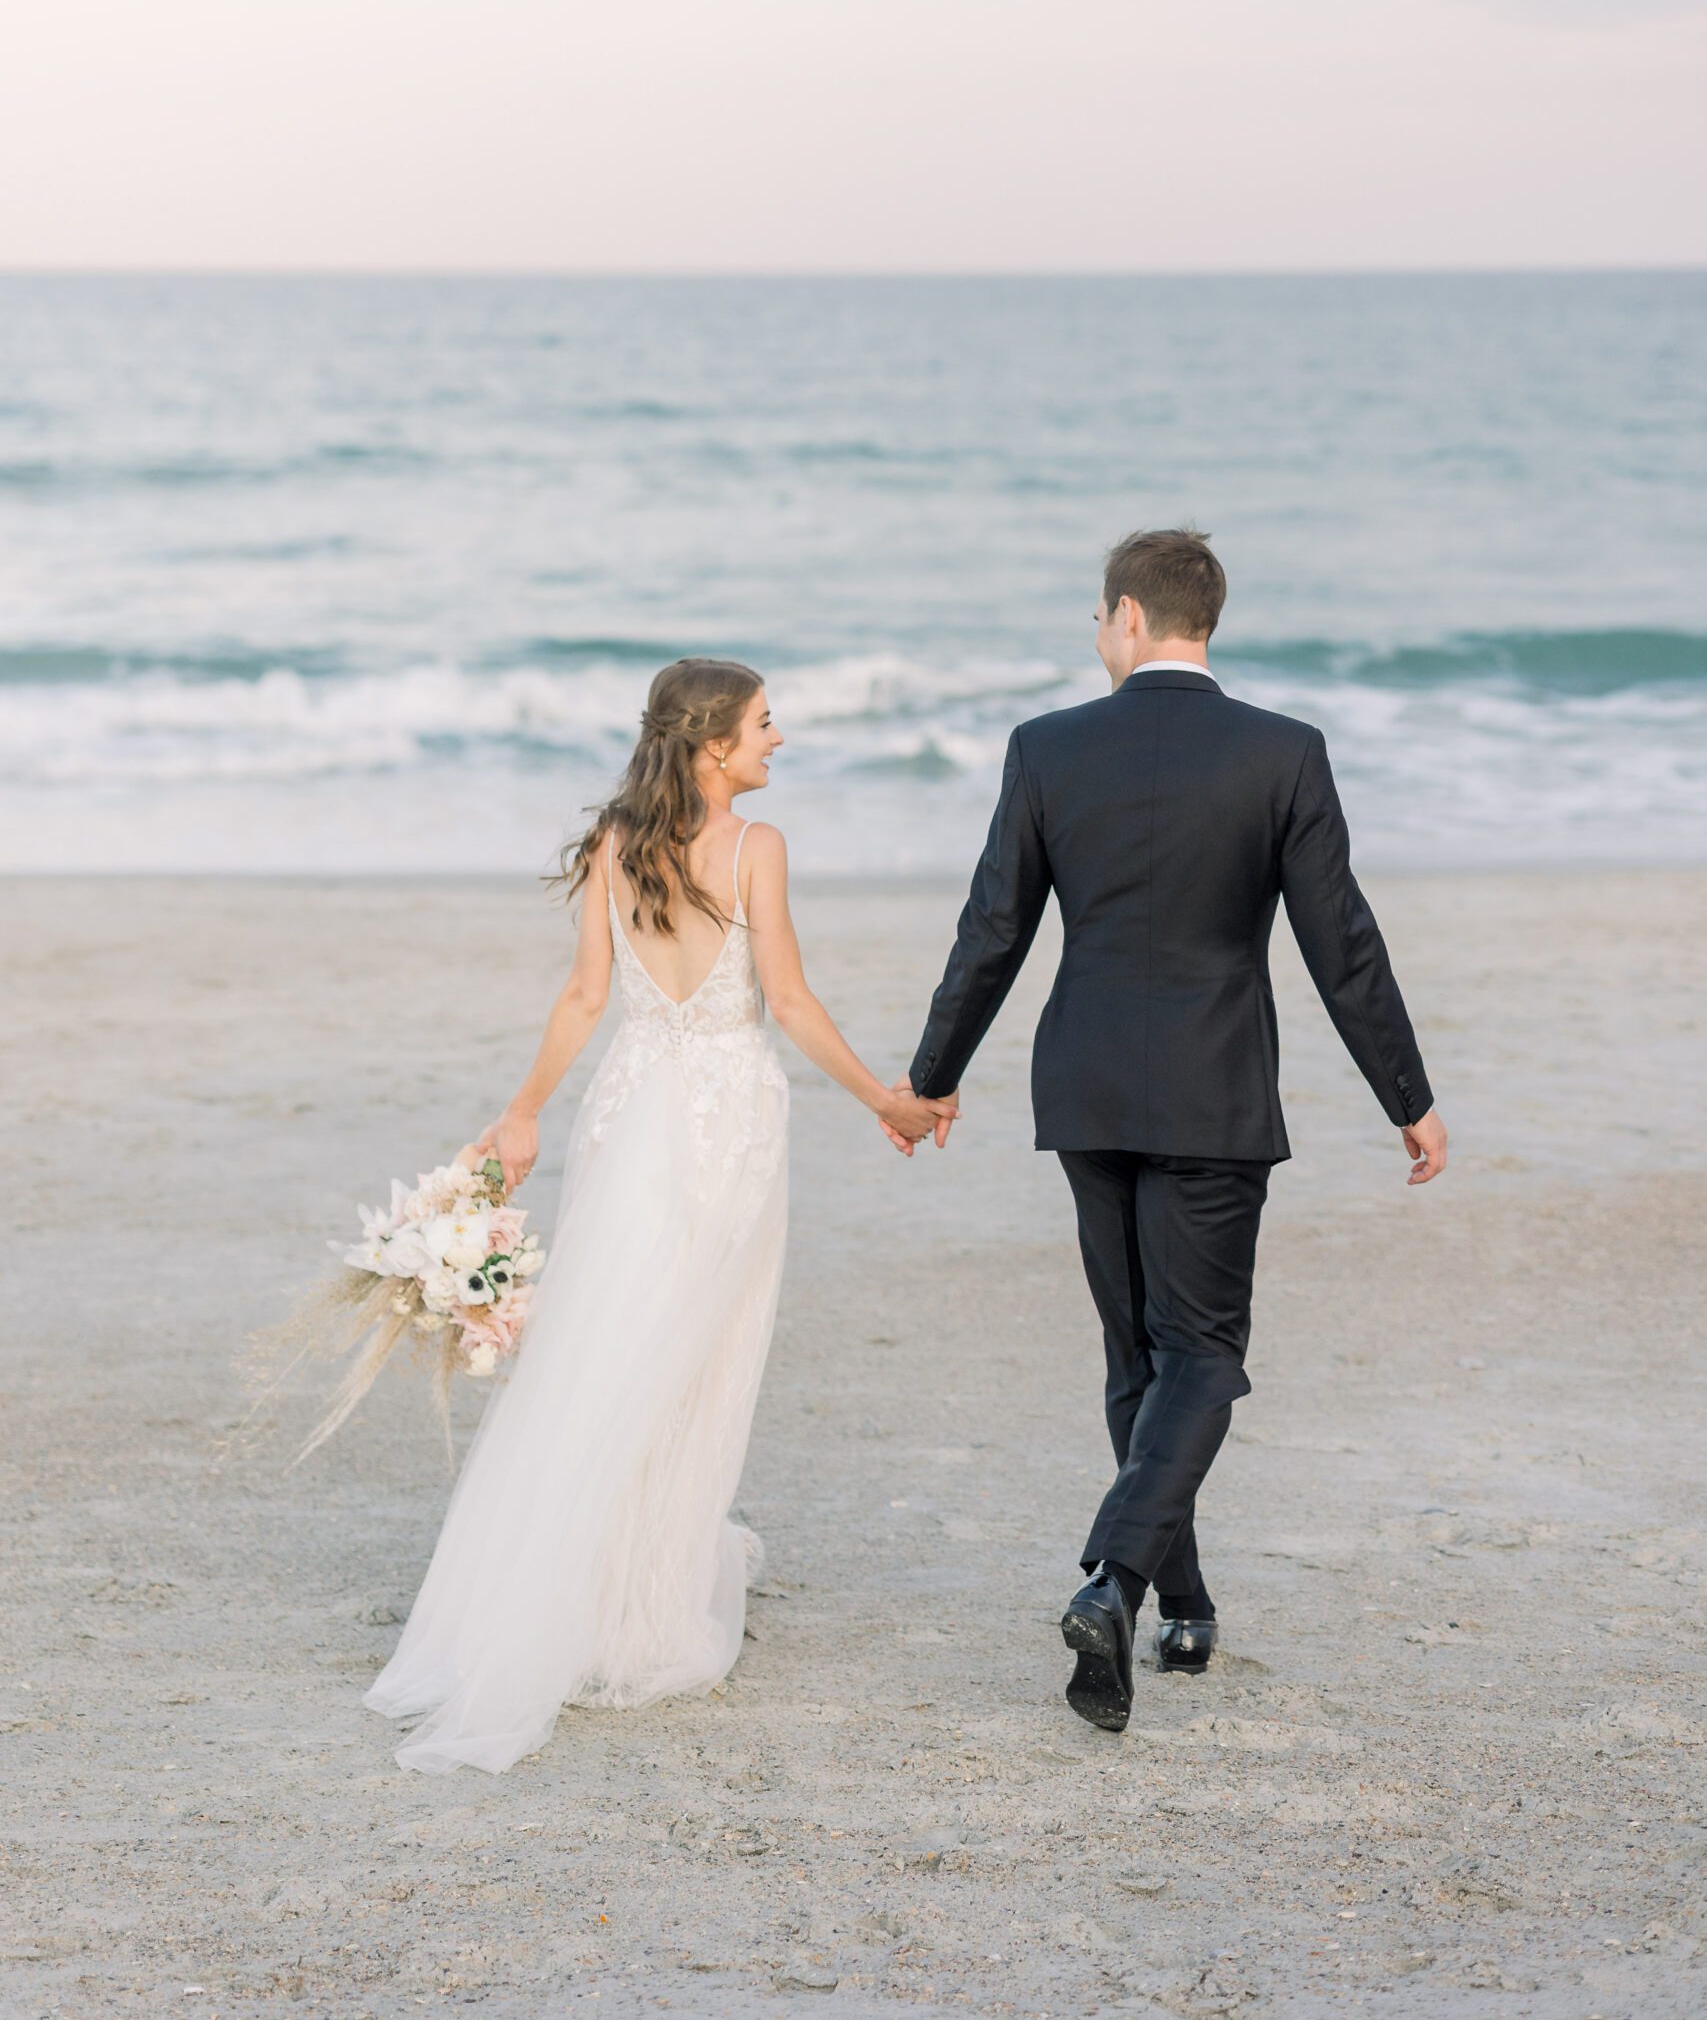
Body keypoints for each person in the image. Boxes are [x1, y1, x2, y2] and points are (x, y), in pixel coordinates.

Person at [896, 529, 1447, 1732]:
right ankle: (1119, 1578)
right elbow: (1339, 940)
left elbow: (993, 930)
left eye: (1100, 621)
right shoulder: (1282, 753)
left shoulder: (1045, 748)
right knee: (1200, 1353)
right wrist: (1406, 1094)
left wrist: (932, 1076)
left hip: (1086, 1086)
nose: (1098, 641)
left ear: (1132, 616)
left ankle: (1177, 1600)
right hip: (1214, 1093)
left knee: (1137, 1355)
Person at [366, 656, 950, 1772]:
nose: (778, 740)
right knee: (696, 1355)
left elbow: (587, 995)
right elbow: (785, 1000)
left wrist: (523, 1111)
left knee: (607, 1343)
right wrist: (886, 1097)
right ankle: (641, 1611)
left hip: (629, 1113)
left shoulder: (613, 844)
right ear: (713, 744)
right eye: (764, 725)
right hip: (726, 1121)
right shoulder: (755, 849)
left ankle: (570, 1590)